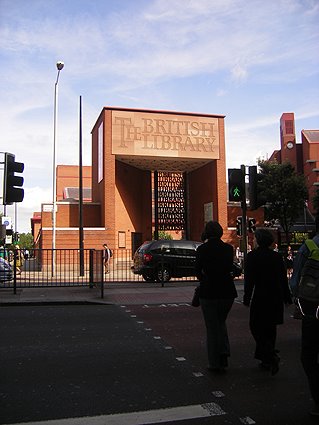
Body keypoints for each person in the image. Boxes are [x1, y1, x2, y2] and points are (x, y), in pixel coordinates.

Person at [243, 229, 292, 375]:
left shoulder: (252, 256)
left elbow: (249, 280)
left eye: (254, 239)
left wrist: (247, 297)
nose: (253, 241)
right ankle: (266, 358)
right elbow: (283, 279)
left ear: (259, 240)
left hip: (261, 296)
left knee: (256, 326)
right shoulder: (276, 257)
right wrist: (287, 298)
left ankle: (269, 356)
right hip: (275, 296)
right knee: (270, 329)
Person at [195, 221, 237, 374]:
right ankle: (224, 354)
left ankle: (214, 362)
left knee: (212, 328)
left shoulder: (202, 249)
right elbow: (230, 268)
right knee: (221, 322)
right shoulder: (228, 249)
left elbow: (197, 271)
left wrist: (204, 278)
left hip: (209, 291)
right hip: (227, 291)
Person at [290, 218, 319, 417]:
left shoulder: (309, 246)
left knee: (309, 354)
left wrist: (296, 300)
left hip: (312, 308)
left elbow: (295, 281)